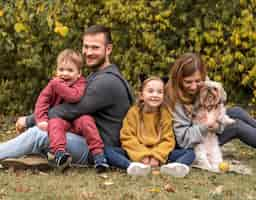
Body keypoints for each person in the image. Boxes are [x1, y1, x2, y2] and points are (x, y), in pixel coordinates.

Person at [1, 25, 133, 171]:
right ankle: (35, 158)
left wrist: (29, 120)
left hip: (98, 149)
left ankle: (27, 154)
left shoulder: (107, 81)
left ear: (108, 49)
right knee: (51, 129)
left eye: (95, 47)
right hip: (83, 138)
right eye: (86, 47)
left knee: (39, 134)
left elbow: (68, 110)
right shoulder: (95, 75)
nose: (88, 52)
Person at [165, 53, 256, 166]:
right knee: (236, 126)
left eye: (198, 81)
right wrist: (207, 125)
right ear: (179, 79)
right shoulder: (174, 100)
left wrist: (217, 125)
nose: (194, 86)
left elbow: (222, 98)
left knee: (236, 111)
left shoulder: (203, 83)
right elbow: (183, 140)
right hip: (194, 143)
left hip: (206, 127)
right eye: (188, 82)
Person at [33, 49, 108, 171]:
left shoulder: (80, 83)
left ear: (79, 73)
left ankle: (98, 155)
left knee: (86, 120)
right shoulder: (53, 84)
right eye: (61, 70)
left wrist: (58, 85)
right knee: (54, 122)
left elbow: (74, 96)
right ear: (56, 71)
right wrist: (41, 119)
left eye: (70, 70)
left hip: (76, 121)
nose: (64, 74)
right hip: (62, 122)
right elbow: (42, 101)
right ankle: (59, 153)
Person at [104, 76, 195, 177]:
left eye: (159, 92)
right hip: (135, 154)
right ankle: (131, 166)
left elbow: (168, 140)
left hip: (160, 154)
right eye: (150, 91)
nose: (155, 95)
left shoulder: (165, 114)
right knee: (107, 150)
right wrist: (142, 156)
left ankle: (175, 167)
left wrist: (156, 157)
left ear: (163, 96)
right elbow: (127, 137)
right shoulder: (133, 112)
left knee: (190, 153)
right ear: (142, 95)